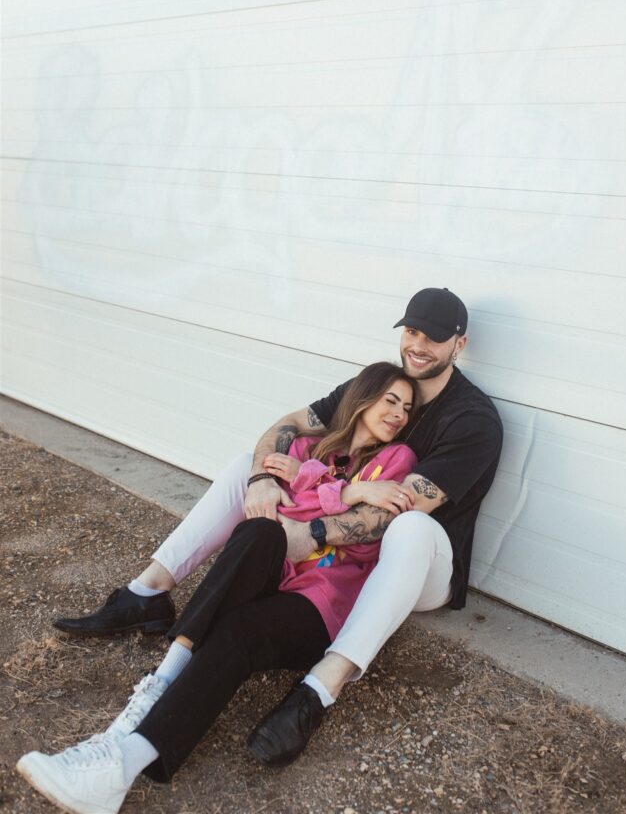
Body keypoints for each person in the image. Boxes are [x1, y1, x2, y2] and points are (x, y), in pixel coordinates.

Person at [53, 287, 504, 765]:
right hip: (340, 546)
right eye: (412, 331)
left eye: (434, 338)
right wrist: (264, 479)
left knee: (408, 527)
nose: (418, 345)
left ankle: (319, 689)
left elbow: (396, 507)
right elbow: (290, 424)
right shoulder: (381, 383)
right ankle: (147, 593)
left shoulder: (471, 419)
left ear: (460, 344)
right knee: (244, 465)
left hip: (422, 565)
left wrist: (306, 535)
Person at [17, 363, 418, 814]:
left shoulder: (398, 461)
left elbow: (359, 535)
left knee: (236, 630)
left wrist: (316, 486)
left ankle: (135, 735)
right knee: (260, 532)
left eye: (406, 407)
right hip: (277, 574)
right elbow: (277, 506)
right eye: (391, 401)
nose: (400, 413)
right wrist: (344, 493)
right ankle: (154, 699)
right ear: (363, 397)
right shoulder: (307, 445)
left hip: (318, 604)